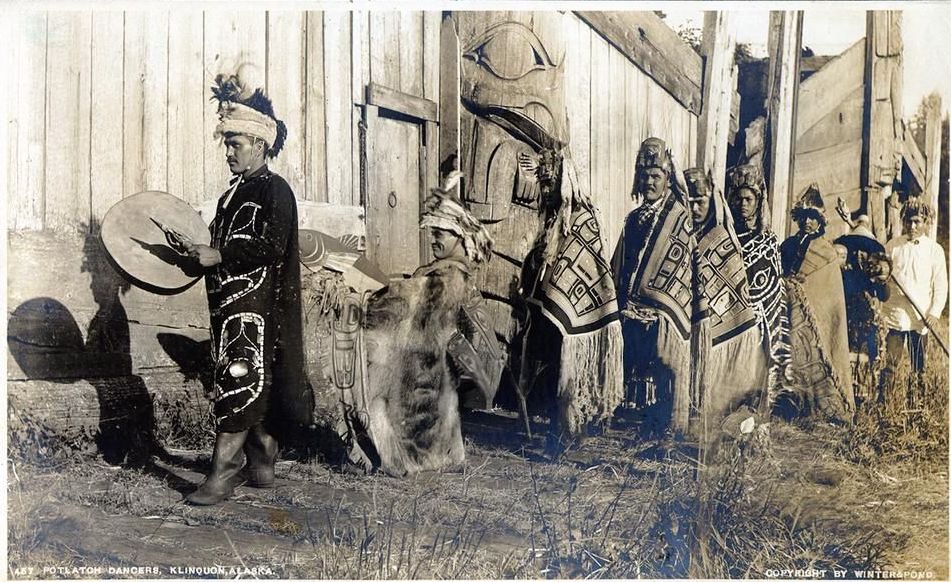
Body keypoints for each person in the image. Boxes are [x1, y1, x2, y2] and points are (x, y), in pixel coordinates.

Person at [184, 70, 312, 505]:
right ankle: (262, 457)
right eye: (226, 144)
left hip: (257, 309)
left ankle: (222, 472)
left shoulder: (277, 191)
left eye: (235, 144)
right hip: (230, 305)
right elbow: (227, 244)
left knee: (240, 379)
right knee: (247, 379)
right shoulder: (231, 196)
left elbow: (272, 246)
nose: (228, 153)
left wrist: (218, 255)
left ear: (260, 144)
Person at [334, 175, 502, 476]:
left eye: (442, 232)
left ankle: (404, 460)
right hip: (431, 378)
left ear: (461, 237)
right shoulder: (445, 273)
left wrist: (363, 287)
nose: (434, 237)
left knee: (377, 406)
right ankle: (442, 455)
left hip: (421, 382)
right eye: (432, 231)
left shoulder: (449, 277)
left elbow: (406, 298)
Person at [517, 148, 623, 452]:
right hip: (551, 311)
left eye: (550, 183)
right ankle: (557, 431)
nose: (545, 190)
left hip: (576, 312)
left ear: (565, 180)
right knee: (553, 372)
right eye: (542, 183)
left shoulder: (583, 218)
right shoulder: (551, 220)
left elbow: (587, 267)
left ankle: (568, 433)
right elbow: (543, 261)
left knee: (570, 376)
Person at [613, 137, 693, 434]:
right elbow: (621, 262)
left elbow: (682, 265)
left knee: (660, 363)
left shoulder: (678, 219)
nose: (649, 182)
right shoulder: (633, 218)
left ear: (667, 180)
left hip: (662, 307)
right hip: (631, 303)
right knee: (632, 359)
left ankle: (660, 420)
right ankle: (631, 414)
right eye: (644, 176)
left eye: (656, 176)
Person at [683, 168, 764, 427]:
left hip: (717, 325)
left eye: (701, 203)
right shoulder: (678, 235)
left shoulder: (721, 239)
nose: (695, 210)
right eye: (689, 203)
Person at [778, 184, 854, 423]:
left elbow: (828, 293)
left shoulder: (827, 252)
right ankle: (788, 407)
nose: (808, 222)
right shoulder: (788, 245)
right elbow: (778, 272)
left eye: (812, 218)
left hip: (814, 316)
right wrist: (787, 283)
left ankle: (822, 410)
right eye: (803, 217)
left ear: (821, 221)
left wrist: (804, 290)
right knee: (788, 355)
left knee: (815, 354)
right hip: (786, 309)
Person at [725, 164, 792, 405]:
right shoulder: (726, 239)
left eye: (749, 199)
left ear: (758, 202)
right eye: (739, 199)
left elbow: (774, 289)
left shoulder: (768, 241)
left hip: (759, 321)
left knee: (754, 375)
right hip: (729, 318)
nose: (743, 204)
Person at [881, 198, 947, 402]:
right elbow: (883, 278)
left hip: (922, 318)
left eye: (917, 221)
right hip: (897, 316)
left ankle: (917, 404)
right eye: (909, 221)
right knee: (891, 363)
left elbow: (941, 285)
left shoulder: (934, 250)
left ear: (926, 222)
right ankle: (884, 403)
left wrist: (934, 313)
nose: (912, 226)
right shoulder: (892, 246)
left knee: (918, 366)